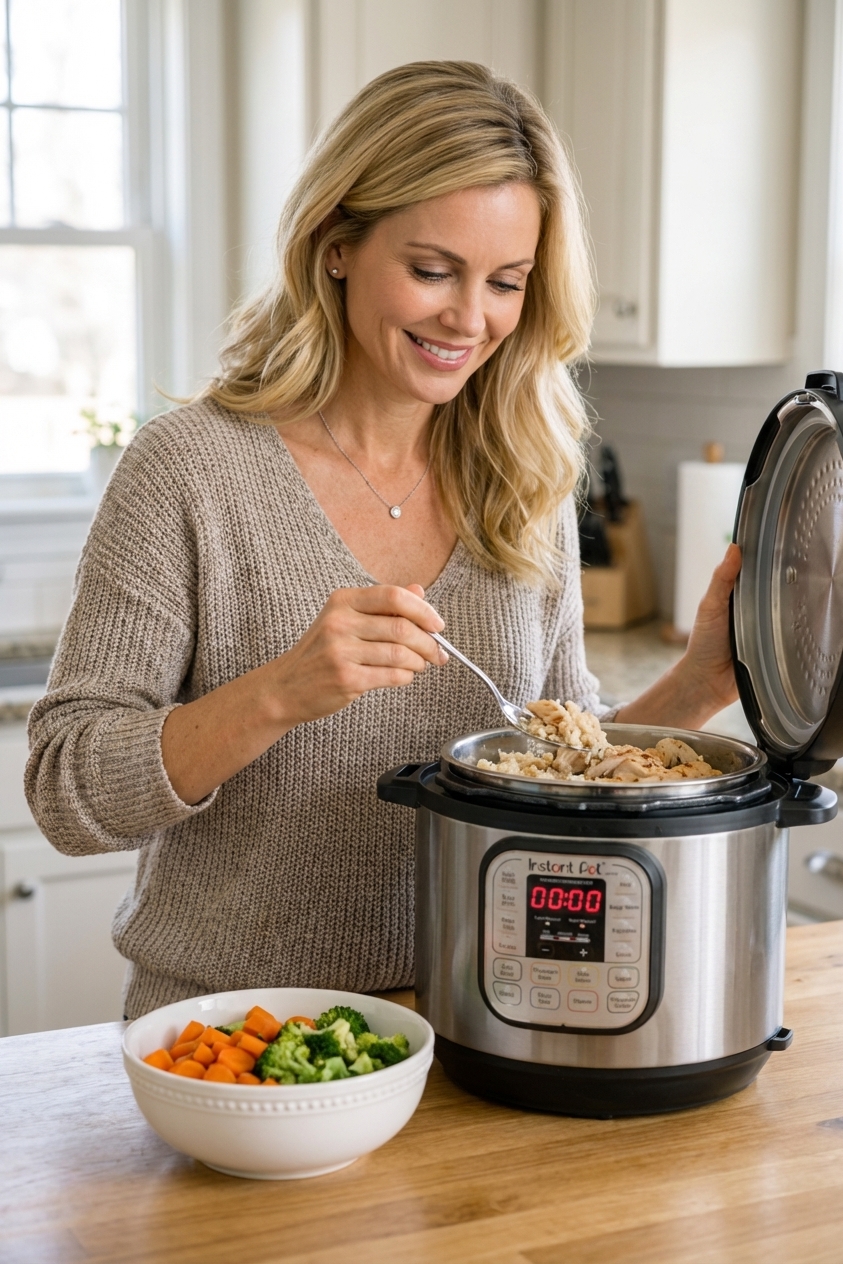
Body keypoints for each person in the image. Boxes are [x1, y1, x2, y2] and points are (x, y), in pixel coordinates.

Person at [25, 62, 740, 1019]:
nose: (469, 318)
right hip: (243, 1035)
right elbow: (68, 789)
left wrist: (699, 682)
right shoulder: (190, 468)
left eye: (505, 282)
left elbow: (560, 774)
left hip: (482, 1014)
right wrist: (279, 691)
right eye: (432, 270)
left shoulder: (523, 474)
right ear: (336, 245)